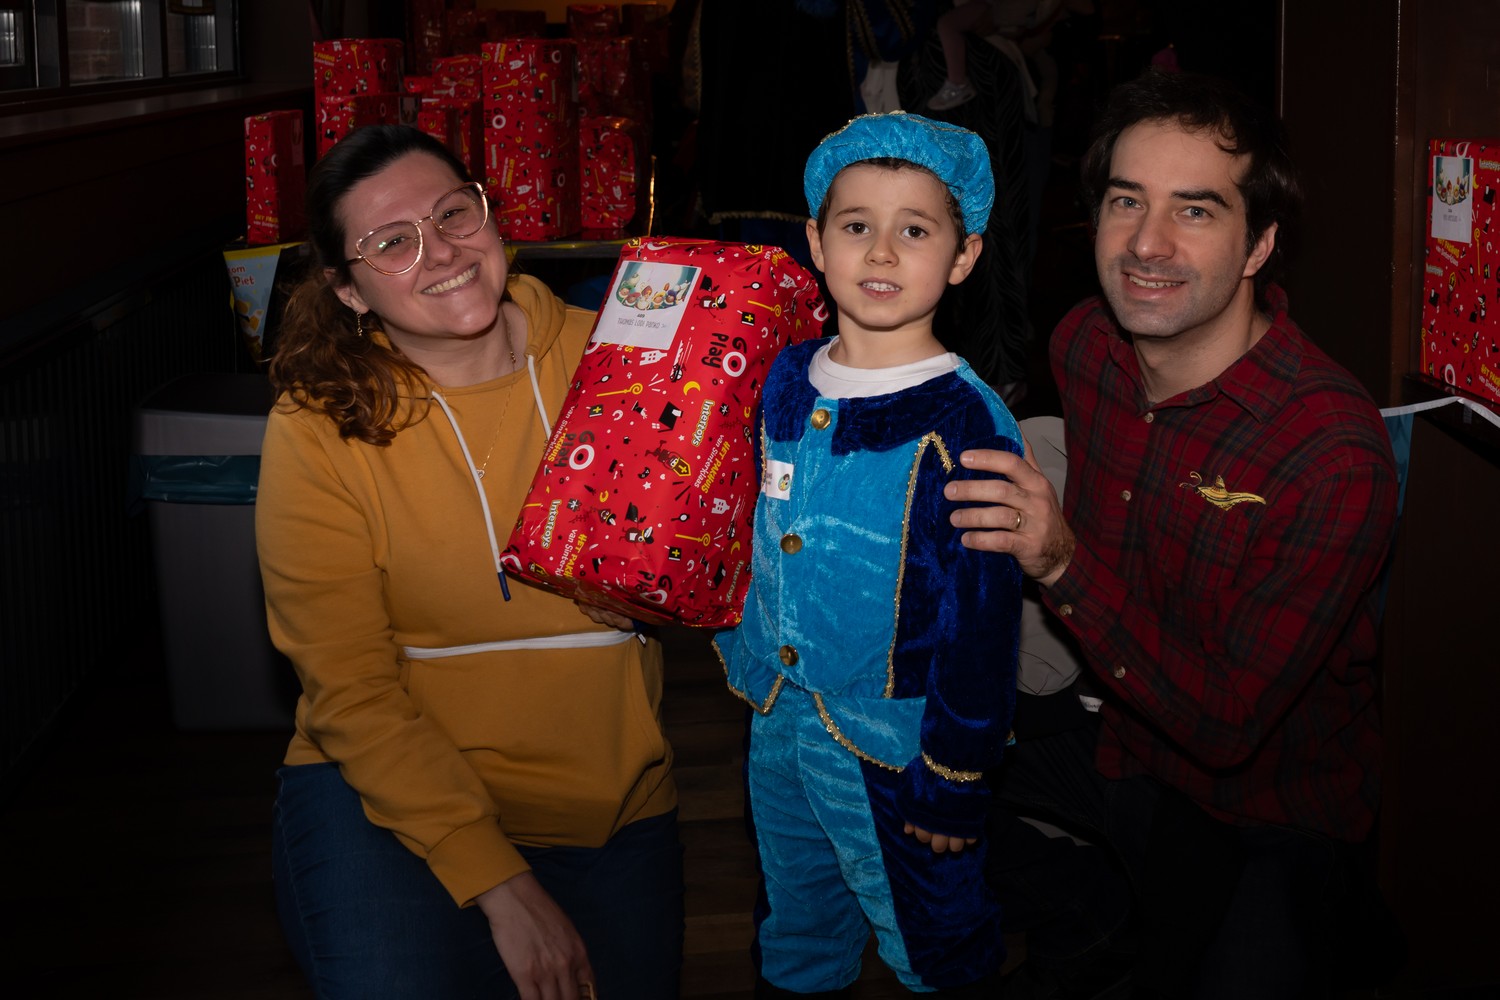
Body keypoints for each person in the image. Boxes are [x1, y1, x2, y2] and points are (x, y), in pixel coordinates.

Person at [944, 69, 1401, 998]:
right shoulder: (1085, 344)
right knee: (880, 758)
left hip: (1263, 808)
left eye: (1195, 211)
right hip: (1114, 733)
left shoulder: (1329, 450)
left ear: (1259, 244)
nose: (1146, 244)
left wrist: (1060, 561)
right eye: (1127, 201)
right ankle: (1083, 911)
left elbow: (1229, 724)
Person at [256, 124, 682, 1000]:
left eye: (454, 213)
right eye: (392, 242)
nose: (441, 251)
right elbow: (350, 689)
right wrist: (496, 879)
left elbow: (730, 546)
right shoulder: (317, 425)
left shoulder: (621, 356)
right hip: (388, 799)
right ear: (348, 289)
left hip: (609, 797)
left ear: (490, 214)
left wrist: (662, 592)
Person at [714, 111, 1025, 998]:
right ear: (817, 242)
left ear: (963, 257)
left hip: (898, 748)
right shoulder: (784, 377)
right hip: (778, 721)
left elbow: (983, 621)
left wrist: (955, 778)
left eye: (915, 231)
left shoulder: (965, 424)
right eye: (856, 226)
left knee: (931, 942)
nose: (882, 252)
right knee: (797, 925)